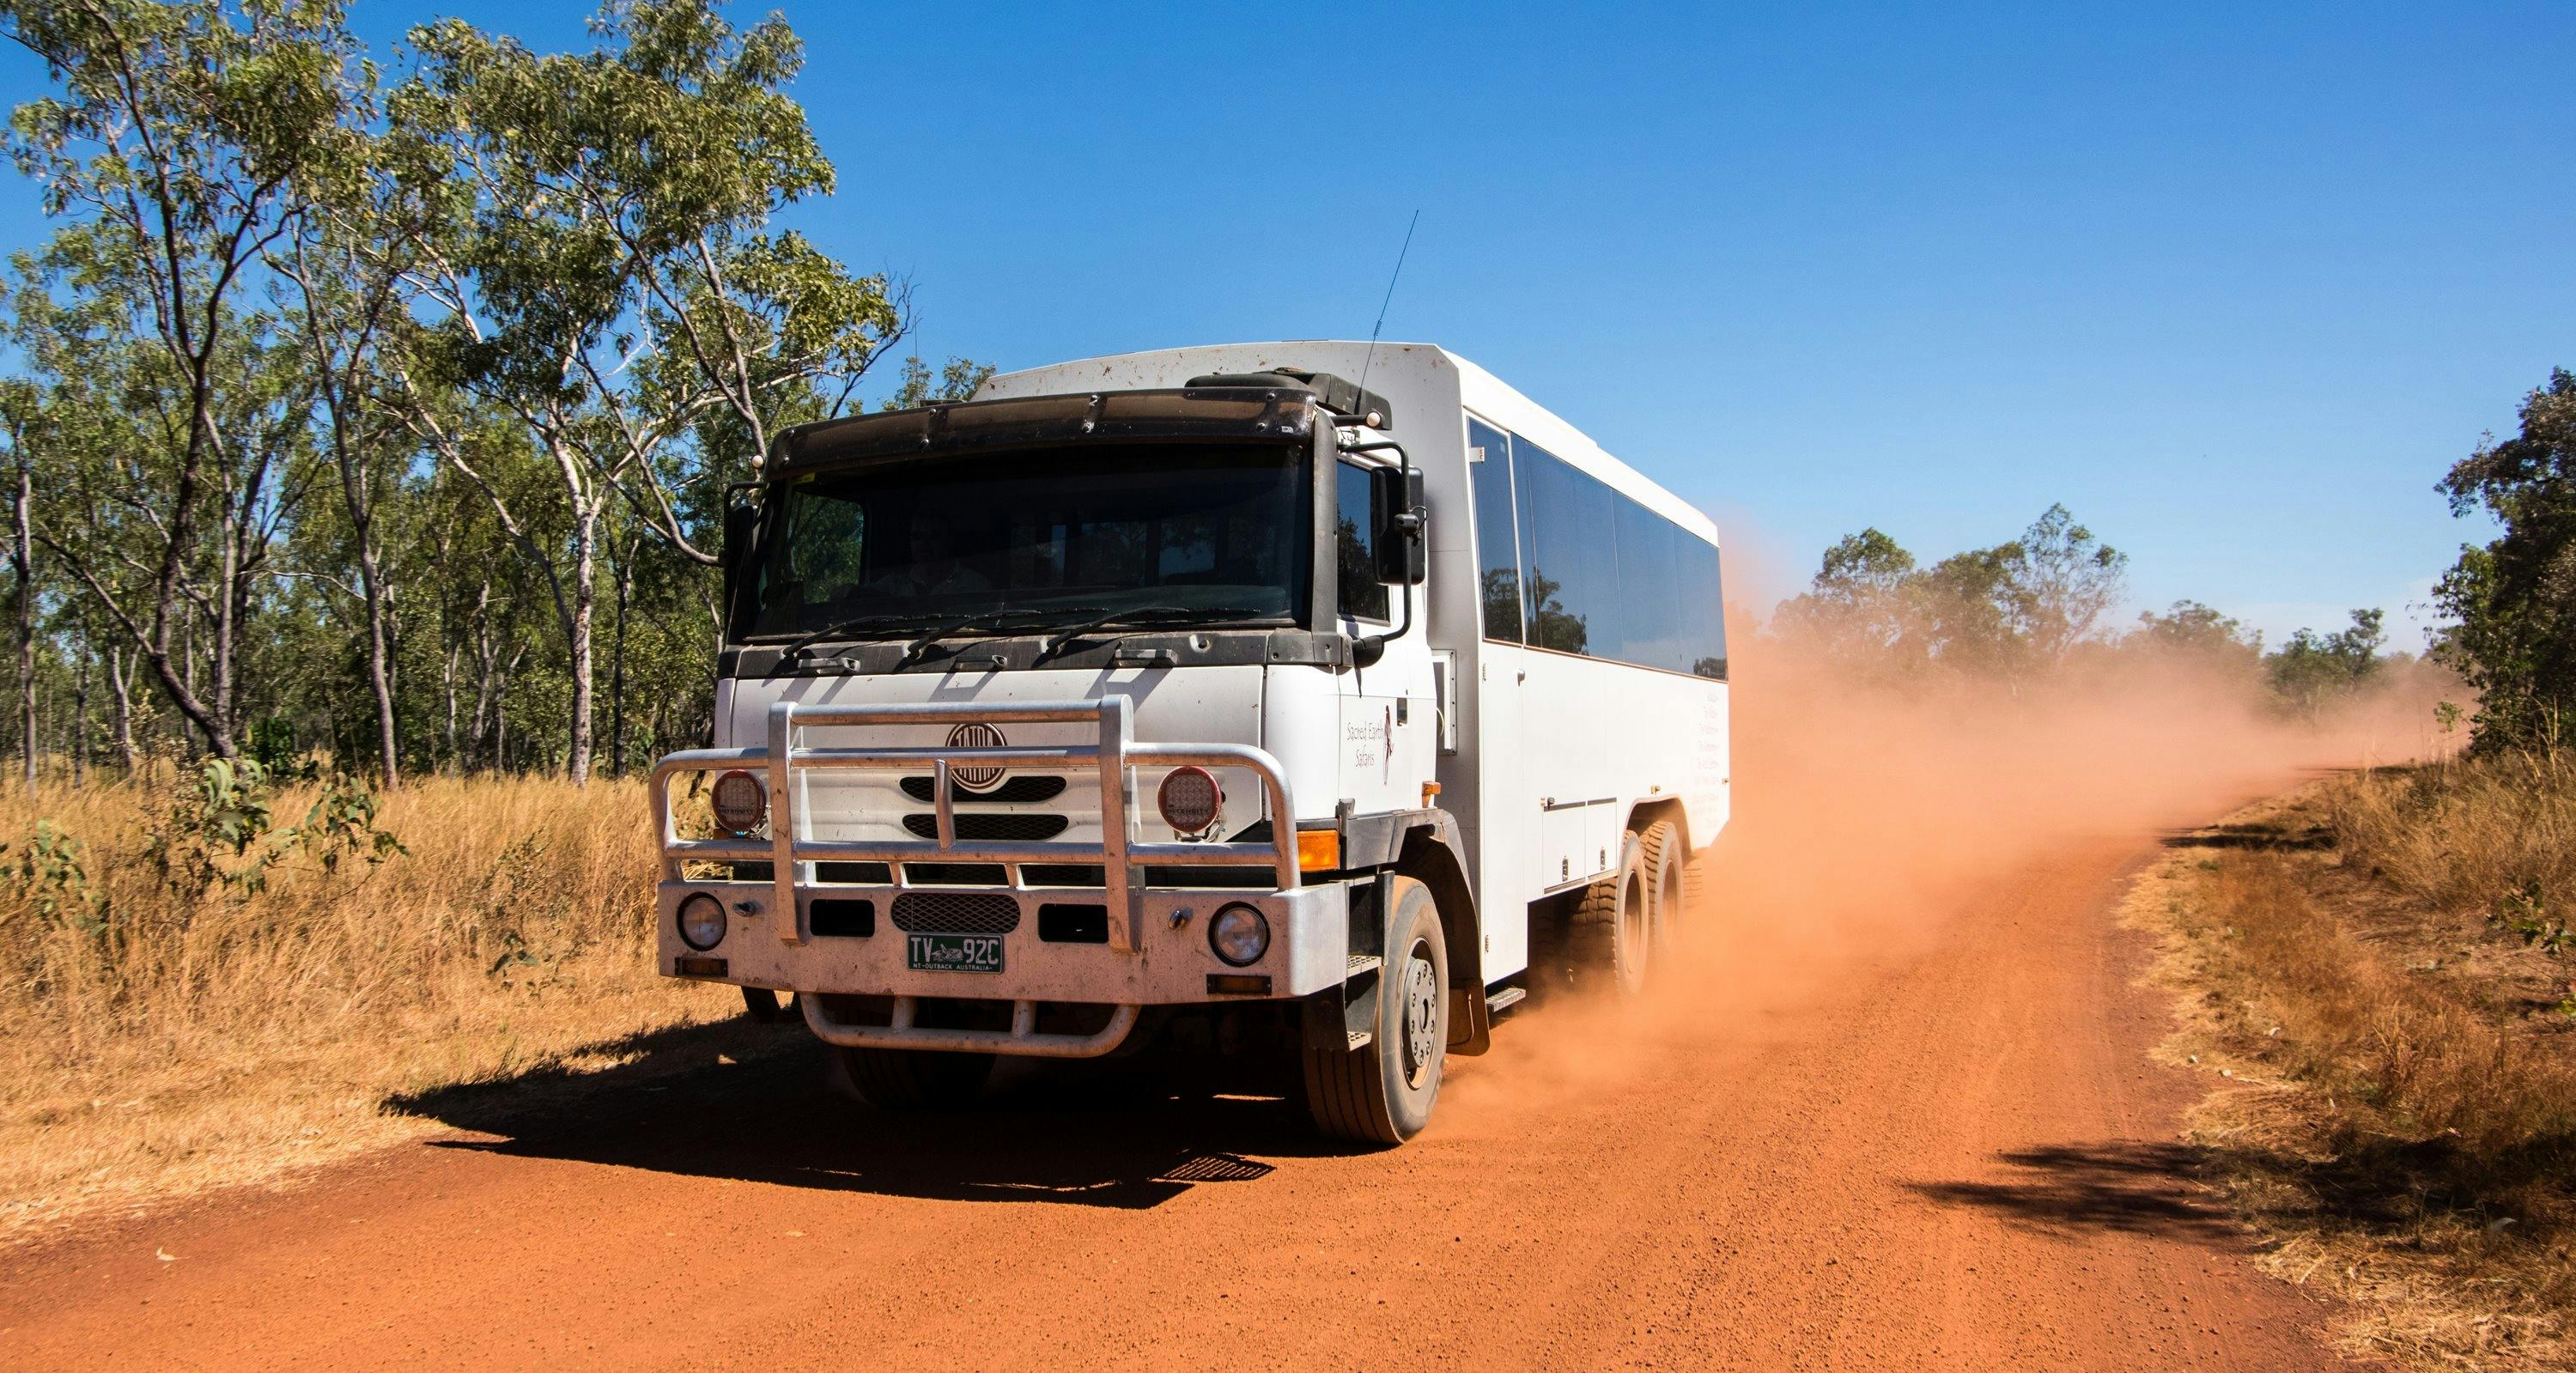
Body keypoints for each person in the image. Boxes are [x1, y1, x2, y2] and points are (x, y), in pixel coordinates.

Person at [871, 506, 991, 598]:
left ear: (949, 541)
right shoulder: (895, 583)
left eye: (933, 537)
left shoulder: (975, 585)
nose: (924, 544)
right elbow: (856, 596)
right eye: (917, 537)